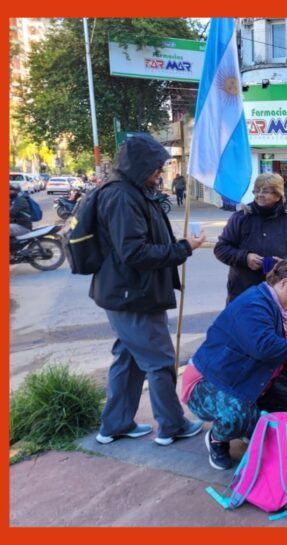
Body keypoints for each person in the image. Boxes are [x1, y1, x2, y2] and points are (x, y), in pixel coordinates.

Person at [91, 134, 206, 447]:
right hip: (133, 296)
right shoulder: (122, 196)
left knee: (128, 360)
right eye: (157, 166)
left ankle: (114, 425)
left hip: (126, 293)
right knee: (159, 361)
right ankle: (172, 425)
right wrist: (183, 248)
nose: (161, 171)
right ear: (140, 165)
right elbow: (135, 253)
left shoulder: (131, 191)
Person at [183, 260, 287, 470]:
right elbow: (264, 347)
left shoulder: (274, 306)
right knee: (237, 416)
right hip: (208, 382)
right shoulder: (254, 305)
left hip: (242, 376)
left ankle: (250, 426)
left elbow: (281, 351)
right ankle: (217, 439)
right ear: (283, 283)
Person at [214, 172, 287, 305]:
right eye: (256, 190)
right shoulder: (241, 217)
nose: (259, 195)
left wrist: (285, 264)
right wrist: (245, 257)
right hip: (243, 292)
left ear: (278, 195)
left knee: (276, 326)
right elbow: (221, 248)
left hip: (278, 294)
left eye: (265, 191)